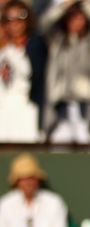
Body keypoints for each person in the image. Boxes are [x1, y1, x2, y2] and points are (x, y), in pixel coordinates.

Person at [39, 0, 90, 145]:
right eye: (72, 17)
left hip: (89, 106)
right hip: (61, 107)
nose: (76, 21)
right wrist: (65, 5)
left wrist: (84, 4)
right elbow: (45, 24)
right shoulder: (58, 42)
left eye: (80, 17)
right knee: (59, 149)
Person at [0, 153, 70, 227]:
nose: (28, 183)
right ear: (17, 182)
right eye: (23, 178)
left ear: (38, 179)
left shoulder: (54, 203)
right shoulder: (5, 204)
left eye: (31, 178)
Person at [0, 0, 47, 143]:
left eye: (20, 18)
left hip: (26, 109)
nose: (15, 24)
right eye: (9, 19)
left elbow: (36, 78)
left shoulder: (34, 45)